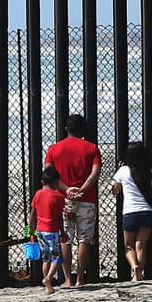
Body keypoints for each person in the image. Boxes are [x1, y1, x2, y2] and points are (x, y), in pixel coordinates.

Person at [44, 113, 103, 286]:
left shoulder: (54, 149)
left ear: (66, 129)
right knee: (84, 239)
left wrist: (66, 189)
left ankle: (68, 278)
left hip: (63, 199)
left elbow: (49, 173)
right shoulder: (92, 148)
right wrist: (82, 189)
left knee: (66, 238)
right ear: (83, 130)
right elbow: (95, 173)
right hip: (87, 198)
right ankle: (81, 278)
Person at [111, 141, 152, 282]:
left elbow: (115, 190)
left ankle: (134, 267)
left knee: (128, 245)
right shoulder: (151, 172)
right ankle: (139, 273)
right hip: (147, 211)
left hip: (130, 212)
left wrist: (119, 172)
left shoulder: (123, 171)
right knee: (141, 245)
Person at [29, 164, 66, 294]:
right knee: (57, 258)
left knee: (46, 258)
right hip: (52, 231)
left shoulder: (38, 194)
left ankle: (48, 286)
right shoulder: (59, 197)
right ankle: (48, 278)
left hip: (40, 231)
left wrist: (29, 232)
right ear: (56, 182)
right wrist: (63, 232)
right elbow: (59, 217)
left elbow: (32, 215)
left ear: (42, 182)